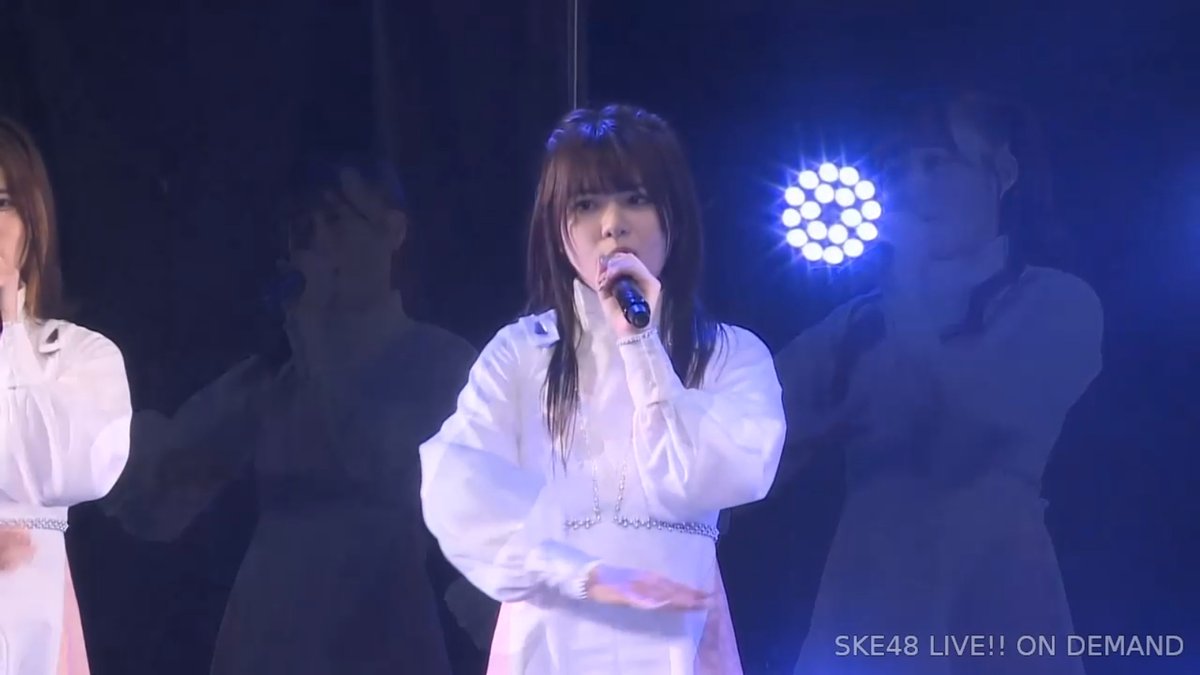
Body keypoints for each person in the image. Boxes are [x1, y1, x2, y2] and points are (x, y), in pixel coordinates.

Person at [419, 104, 786, 674]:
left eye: (636, 198)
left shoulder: (730, 354)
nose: (612, 224)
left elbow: (710, 476)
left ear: (675, 214)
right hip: (551, 640)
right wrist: (580, 575)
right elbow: (456, 482)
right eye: (586, 205)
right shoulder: (522, 354)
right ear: (557, 229)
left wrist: (642, 345)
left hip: (677, 634)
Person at [103, 154, 475, 674]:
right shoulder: (276, 372)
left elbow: (381, 461)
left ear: (394, 231)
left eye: (337, 221)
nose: (318, 244)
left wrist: (316, 340)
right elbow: (166, 488)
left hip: (379, 626)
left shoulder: (439, 360)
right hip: (270, 629)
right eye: (305, 229)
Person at [776, 91, 1103, 675]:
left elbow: (983, 414)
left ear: (1003, 172)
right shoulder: (853, 323)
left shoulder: (1056, 300)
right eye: (897, 168)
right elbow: (753, 439)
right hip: (869, 591)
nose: (912, 185)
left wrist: (907, 279)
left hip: (998, 582)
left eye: (936, 163)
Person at [0, 117, 132, 675]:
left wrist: (10, 331)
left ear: (33, 219)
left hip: (30, 612)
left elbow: (71, 468)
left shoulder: (80, 355)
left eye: (1, 202)